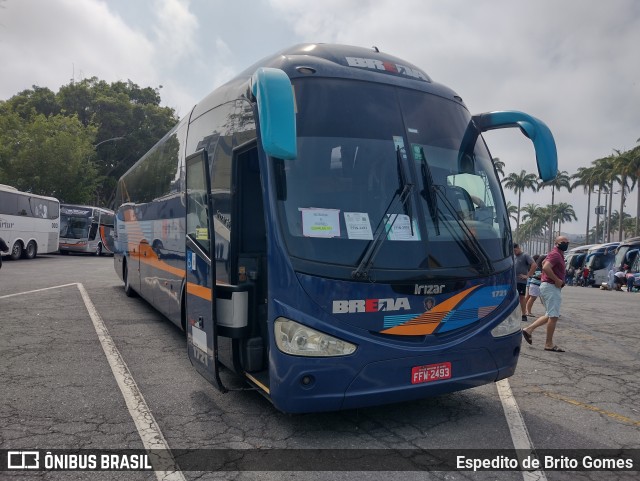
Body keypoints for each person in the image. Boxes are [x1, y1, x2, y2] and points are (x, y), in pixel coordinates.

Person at [522, 236, 569, 353]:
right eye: (563, 242)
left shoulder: (557, 254)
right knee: (554, 317)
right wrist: (557, 280)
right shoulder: (556, 254)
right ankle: (548, 344)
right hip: (551, 286)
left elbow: (544, 262)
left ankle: (528, 329)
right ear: (557, 243)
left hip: (549, 286)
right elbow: (546, 266)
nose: (566, 243)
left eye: (568, 242)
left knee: (550, 314)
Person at [513, 243, 537, 322]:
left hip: (521, 281)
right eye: (513, 251)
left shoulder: (525, 255)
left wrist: (527, 275)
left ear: (519, 248)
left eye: (515, 250)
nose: (515, 252)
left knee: (521, 297)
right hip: (512, 281)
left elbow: (534, 265)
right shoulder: (513, 257)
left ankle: (523, 314)